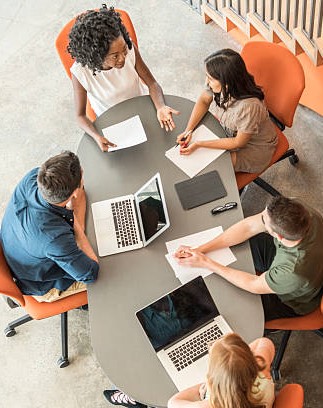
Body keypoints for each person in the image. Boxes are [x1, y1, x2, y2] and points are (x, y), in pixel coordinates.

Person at [174, 196, 323, 321]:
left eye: (264, 221)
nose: (261, 218)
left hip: (293, 300)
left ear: (279, 236)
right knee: (247, 242)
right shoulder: (299, 211)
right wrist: (201, 249)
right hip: (305, 264)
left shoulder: (293, 272)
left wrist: (207, 263)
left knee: (232, 306)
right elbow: (249, 227)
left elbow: (253, 284)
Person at [68, 5, 179, 152]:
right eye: (115, 56)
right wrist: (96, 136)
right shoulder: (80, 73)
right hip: (113, 122)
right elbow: (80, 116)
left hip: (142, 107)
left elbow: (152, 83)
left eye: (124, 50)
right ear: (97, 56)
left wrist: (160, 107)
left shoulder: (129, 48)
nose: (122, 58)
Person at [1, 151, 99, 303]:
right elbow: (90, 273)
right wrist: (77, 226)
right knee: (113, 275)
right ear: (74, 192)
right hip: (41, 285)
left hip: (17, 251)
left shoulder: (33, 177)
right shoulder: (55, 238)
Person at [176, 49, 277, 174]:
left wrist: (199, 144)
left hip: (253, 147)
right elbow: (203, 100)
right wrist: (188, 130)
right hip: (230, 133)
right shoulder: (221, 86)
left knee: (210, 166)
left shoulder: (249, 107)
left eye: (211, 79)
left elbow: (238, 142)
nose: (206, 82)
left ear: (227, 83)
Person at [168, 333, 275, 408]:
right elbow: (264, 342)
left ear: (212, 381)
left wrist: (206, 384)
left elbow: (173, 402)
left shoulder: (210, 404)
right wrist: (244, 358)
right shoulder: (262, 372)